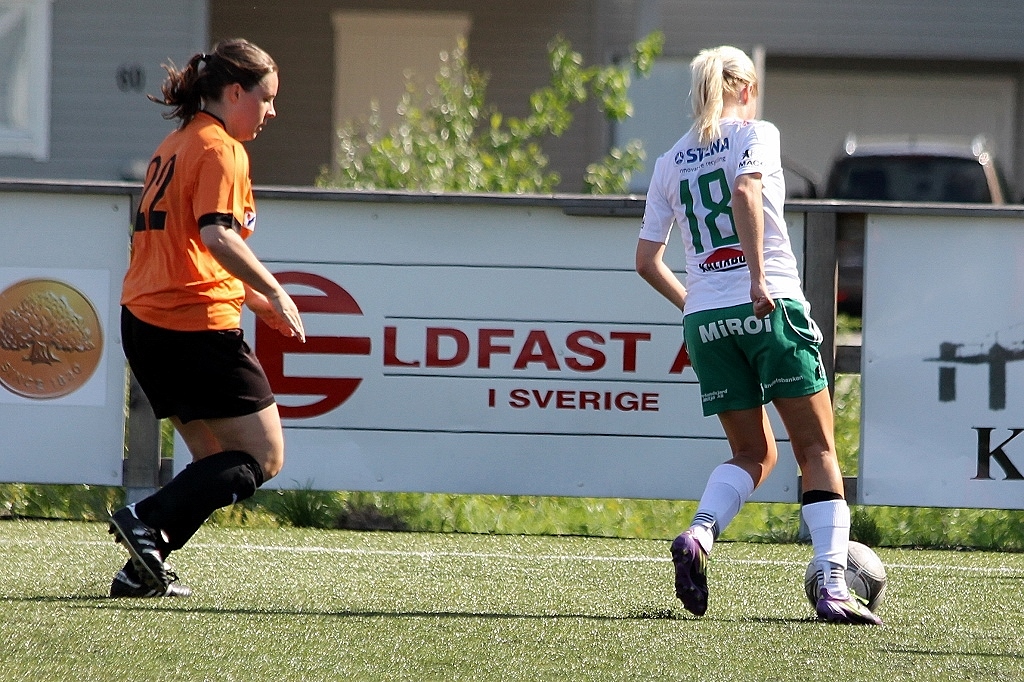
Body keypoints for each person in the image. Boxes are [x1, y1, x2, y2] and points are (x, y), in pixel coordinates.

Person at [634, 46, 881, 625]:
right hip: (767, 308)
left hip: (707, 324)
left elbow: (646, 260)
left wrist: (696, 304)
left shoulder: (670, 160)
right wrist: (756, 280)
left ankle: (699, 534)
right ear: (745, 89)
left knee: (753, 452)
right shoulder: (756, 133)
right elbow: (745, 191)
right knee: (816, 450)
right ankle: (832, 585)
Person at [107, 38, 305, 598]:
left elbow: (188, 248)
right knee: (264, 455)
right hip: (191, 326)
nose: (271, 111)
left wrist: (253, 300)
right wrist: (274, 290)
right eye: (266, 98)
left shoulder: (176, 143)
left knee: (213, 459)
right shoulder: (221, 148)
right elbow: (216, 235)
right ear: (235, 92)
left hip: (144, 322)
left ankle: (140, 569)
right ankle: (144, 520)